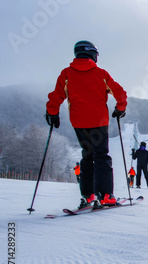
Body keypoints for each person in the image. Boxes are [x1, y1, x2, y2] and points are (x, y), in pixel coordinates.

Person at [46, 40, 127, 209]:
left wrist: (52, 113)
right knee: (101, 156)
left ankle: (88, 196)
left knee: (87, 156)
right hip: (99, 121)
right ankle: (105, 196)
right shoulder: (101, 73)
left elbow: (56, 96)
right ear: (92, 54)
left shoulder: (66, 74)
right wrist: (120, 108)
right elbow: (120, 93)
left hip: (79, 122)